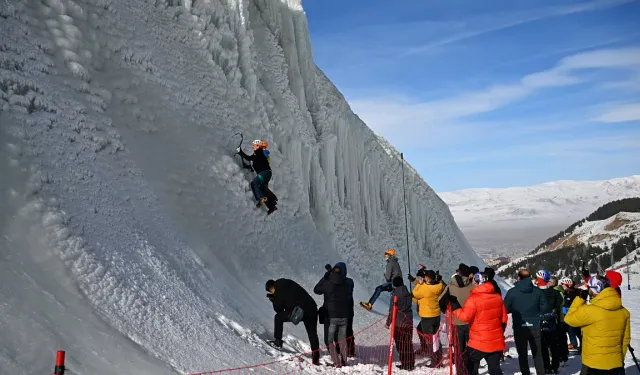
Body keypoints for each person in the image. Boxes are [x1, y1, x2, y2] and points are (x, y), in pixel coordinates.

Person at [565, 275, 631, 375]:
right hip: (615, 364)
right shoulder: (624, 312)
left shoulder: (589, 311)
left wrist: (580, 299)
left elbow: (569, 319)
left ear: (595, 290)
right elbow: (625, 339)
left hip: (592, 364)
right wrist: (619, 359)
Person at [454, 272, 508, 375]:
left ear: (477, 282)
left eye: (474, 280)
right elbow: (504, 319)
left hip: (478, 342)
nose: (472, 282)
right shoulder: (497, 297)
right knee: (495, 370)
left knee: (471, 367)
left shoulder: (473, 299)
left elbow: (464, 317)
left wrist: (456, 308)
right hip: (495, 342)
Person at [265, 279, 320, 365]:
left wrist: (273, 299)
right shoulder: (287, 282)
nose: (272, 292)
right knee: (312, 334)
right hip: (312, 308)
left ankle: (278, 341)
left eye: (271, 291)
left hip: (299, 311)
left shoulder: (278, 289)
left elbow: (278, 309)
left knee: (278, 317)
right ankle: (316, 358)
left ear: (272, 288)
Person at [504, 269, 548, 375]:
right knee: (537, 354)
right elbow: (545, 308)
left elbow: (505, 309)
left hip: (520, 326)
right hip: (535, 325)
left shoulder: (512, 292)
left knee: (522, 355)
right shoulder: (538, 292)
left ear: (518, 277)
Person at [439, 264, 475, 375]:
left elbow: (440, 301)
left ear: (458, 273)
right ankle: (471, 371)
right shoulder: (473, 287)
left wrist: (447, 311)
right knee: (471, 350)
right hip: (471, 323)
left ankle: (460, 371)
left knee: (459, 350)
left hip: (456, 321)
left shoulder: (450, 287)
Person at [313, 265, 350, 367]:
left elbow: (316, 290)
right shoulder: (346, 284)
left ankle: (337, 362)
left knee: (329, 340)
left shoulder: (327, 284)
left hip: (331, 316)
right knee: (342, 340)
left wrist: (324, 278)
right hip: (344, 316)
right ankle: (344, 361)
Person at [409, 269, 445, 366]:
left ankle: (434, 362)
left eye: (425, 277)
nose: (423, 278)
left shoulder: (424, 288)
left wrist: (419, 284)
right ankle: (439, 358)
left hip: (427, 317)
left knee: (429, 340)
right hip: (436, 315)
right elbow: (442, 285)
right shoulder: (439, 286)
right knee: (436, 338)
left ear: (427, 278)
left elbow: (414, 293)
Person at [237, 139, 276, 214]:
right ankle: (271, 206)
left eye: (254, 145)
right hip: (267, 173)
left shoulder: (258, 153)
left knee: (254, 184)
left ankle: (260, 198)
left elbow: (249, 158)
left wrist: (240, 152)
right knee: (263, 189)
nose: (253, 147)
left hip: (264, 173)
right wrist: (247, 166)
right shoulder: (259, 154)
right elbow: (254, 165)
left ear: (258, 146)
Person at [535, 270, 563, 374]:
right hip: (551, 321)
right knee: (553, 345)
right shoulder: (555, 292)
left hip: (540, 322)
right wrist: (552, 310)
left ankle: (546, 366)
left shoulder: (535, 292)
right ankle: (555, 366)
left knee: (543, 346)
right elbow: (560, 301)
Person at [386, 276, 415, 371]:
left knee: (401, 345)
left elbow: (392, 310)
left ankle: (405, 363)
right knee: (408, 343)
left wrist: (388, 322)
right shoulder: (407, 292)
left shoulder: (395, 295)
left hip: (399, 323)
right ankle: (410, 363)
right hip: (409, 321)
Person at [549, 275, 569, 363]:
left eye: (549, 282)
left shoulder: (555, 291)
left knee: (556, 339)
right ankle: (564, 355)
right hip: (562, 317)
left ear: (553, 283)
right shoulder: (561, 290)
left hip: (557, 317)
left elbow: (555, 305)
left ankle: (559, 356)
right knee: (562, 337)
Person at [560, 277, 582, 352]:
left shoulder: (575, 292)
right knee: (571, 331)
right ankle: (574, 344)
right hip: (569, 314)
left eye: (563, 284)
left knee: (574, 331)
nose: (562, 286)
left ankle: (577, 345)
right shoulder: (566, 292)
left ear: (568, 284)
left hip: (575, 314)